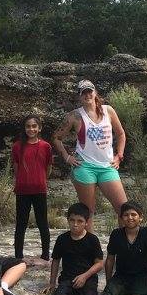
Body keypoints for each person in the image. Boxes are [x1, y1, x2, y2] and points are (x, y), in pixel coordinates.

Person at [52, 80, 128, 225]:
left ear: (95, 92)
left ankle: (123, 245)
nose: (87, 95)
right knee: (88, 212)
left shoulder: (108, 111)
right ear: (79, 97)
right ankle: (91, 247)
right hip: (85, 167)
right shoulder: (74, 116)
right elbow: (56, 138)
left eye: (89, 91)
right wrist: (66, 157)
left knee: (123, 209)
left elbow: (121, 134)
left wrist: (119, 155)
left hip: (107, 167)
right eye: (83, 93)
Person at [47, 202, 104, 295]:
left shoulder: (92, 240)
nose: (75, 225)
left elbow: (99, 264)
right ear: (68, 220)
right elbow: (55, 261)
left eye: (79, 221)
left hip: (88, 278)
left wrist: (85, 276)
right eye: (72, 220)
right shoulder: (62, 239)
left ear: (86, 223)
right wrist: (52, 283)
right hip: (67, 278)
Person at [11, 114, 53, 265]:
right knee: (21, 223)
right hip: (22, 190)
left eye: (34, 126)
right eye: (28, 126)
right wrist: (23, 180)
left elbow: (48, 167)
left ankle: (45, 256)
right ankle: (18, 256)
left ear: (39, 128)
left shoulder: (46, 146)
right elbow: (16, 167)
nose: (31, 129)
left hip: (40, 189)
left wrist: (40, 179)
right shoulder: (17, 146)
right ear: (24, 128)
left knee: (43, 223)